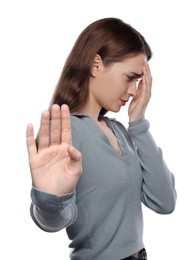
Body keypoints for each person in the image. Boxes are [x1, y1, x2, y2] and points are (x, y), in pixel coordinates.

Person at [26, 17, 177, 260]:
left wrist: (138, 124)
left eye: (138, 82)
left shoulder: (120, 131)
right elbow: (54, 221)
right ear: (96, 64)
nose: (133, 91)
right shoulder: (65, 130)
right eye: (130, 77)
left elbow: (165, 201)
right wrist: (49, 200)